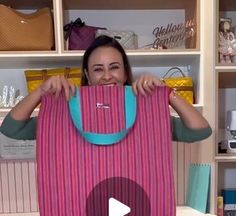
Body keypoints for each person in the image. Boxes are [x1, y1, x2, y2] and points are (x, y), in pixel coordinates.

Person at [0, 35, 212, 142]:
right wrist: (40, 91)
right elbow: (11, 129)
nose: (107, 76)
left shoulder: (144, 111)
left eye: (115, 67)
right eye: (98, 69)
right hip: (80, 211)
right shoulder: (67, 112)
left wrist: (166, 93)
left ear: (126, 72)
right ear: (88, 76)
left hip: (134, 209)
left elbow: (200, 131)